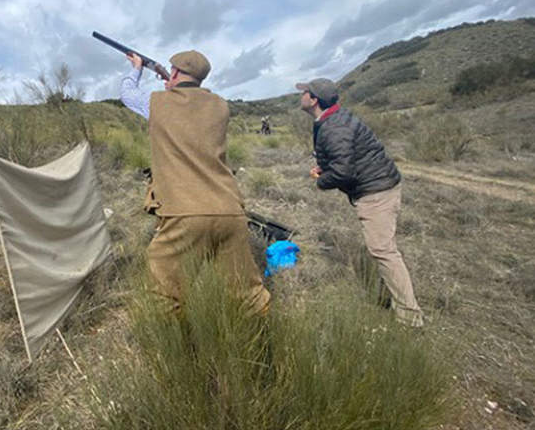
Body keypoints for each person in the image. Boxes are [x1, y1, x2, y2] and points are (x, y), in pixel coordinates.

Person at [120, 50, 270, 315]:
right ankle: (265, 349)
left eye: (171, 71)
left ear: (174, 73)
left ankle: (179, 353)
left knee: (164, 296)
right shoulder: (220, 106)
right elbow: (190, 110)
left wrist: (137, 68)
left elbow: (128, 94)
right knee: (249, 296)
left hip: (184, 212)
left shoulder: (158, 102)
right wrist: (170, 83)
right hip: (230, 211)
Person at [296, 78, 424, 327]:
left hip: (376, 191)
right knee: (383, 248)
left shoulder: (333, 127)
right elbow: (345, 156)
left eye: (304, 93)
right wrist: (325, 167)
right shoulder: (332, 120)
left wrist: (320, 181)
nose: (300, 96)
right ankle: (402, 306)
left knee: (383, 251)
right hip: (379, 185)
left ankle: (410, 319)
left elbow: (344, 171)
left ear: (314, 100)